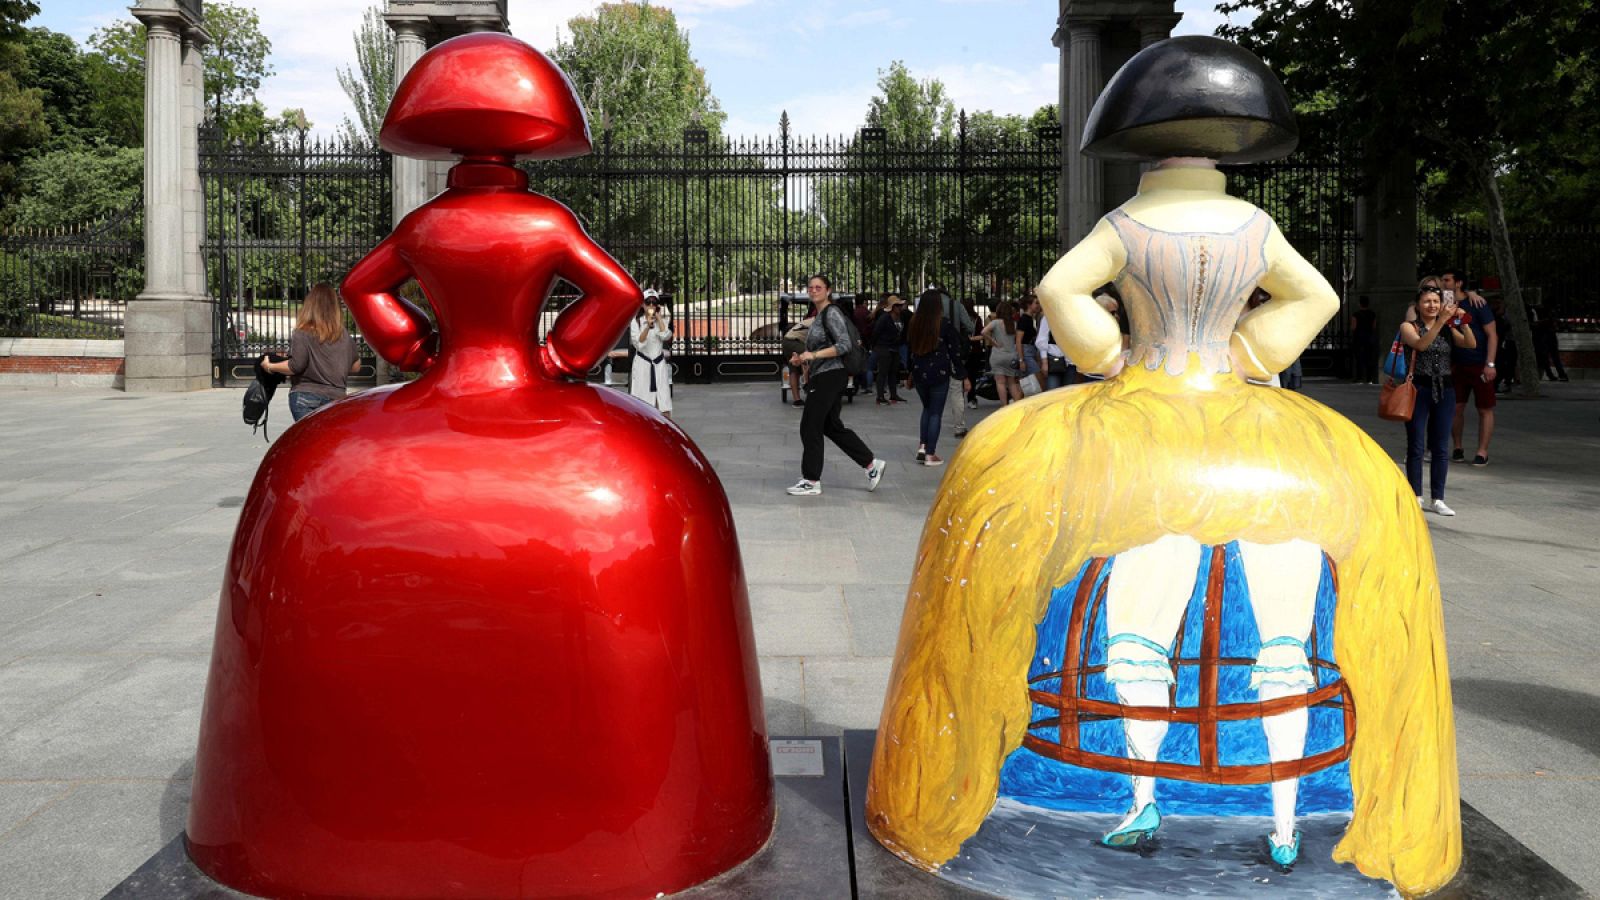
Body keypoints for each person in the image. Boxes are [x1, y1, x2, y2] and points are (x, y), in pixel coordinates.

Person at [786, 274, 886, 496]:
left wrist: (813, 355)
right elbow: (820, 349)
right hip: (826, 374)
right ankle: (871, 464)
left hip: (830, 376)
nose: (813, 291)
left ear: (828, 291)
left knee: (810, 425)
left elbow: (844, 345)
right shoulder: (819, 315)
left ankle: (811, 480)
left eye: (818, 287)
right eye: (810, 287)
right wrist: (803, 358)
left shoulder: (831, 313)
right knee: (831, 426)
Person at [1398, 284, 1475, 515]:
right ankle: (1416, 495)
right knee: (1416, 445)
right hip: (1418, 388)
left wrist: (1464, 321)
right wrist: (1441, 321)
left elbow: (1470, 344)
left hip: (1445, 388)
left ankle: (1438, 498)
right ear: (1418, 305)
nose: (1432, 306)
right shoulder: (1408, 327)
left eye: (1435, 301)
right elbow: (1421, 345)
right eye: (1427, 302)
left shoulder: (1448, 327)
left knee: (1441, 446)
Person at [259, 282, 361, 422]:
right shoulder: (343, 335)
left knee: (310, 441)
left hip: (306, 396)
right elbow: (356, 367)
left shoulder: (303, 332)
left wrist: (269, 366)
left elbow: (296, 366)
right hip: (337, 397)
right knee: (329, 442)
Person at [905, 288, 970, 466]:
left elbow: (909, 350)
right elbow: (955, 351)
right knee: (935, 413)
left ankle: (922, 445)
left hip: (919, 371)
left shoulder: (914, 323)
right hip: (939, 372)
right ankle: (930, 453)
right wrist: (962, 374)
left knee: (926, 409)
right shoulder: (944, 324)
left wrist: (908, 372)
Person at [1440, 269, 1496, 466]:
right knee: (1456, 407)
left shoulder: (1477, 304)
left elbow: (1492, 334)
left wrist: (1490, 363)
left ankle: (1482, 451)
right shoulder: (1443, 304)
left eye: (1447, 280)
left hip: (1479, 363)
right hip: (1456, 364)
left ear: (1459, 283)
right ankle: (1457, 447)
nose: (1443, 283)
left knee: (1484, 408)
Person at [936, 287, 976, 433]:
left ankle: (933, 422)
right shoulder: (956, 305)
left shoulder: (929, 308)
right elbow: (970, 327)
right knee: (956, 390)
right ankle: (959, 426)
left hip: (933, 354)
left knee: (934, 390)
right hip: (953, 351)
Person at [630, 289, 673, 417]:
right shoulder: (636, 322)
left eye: (654, 302)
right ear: (643, 305)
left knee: (664, 403)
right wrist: (648, 327)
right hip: (643, 365)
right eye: (648, 302)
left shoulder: (662, 321)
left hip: (659, 365)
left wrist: (658, 319)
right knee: (642, 404)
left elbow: (666, 336)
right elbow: (638, 343)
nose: (651, 306)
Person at [981, 300, 1025, 405]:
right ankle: (1017, 405)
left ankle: (1004, 406)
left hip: (998, 355)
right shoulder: (1014, 324)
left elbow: (983, 332)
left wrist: (993, 342)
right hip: (1011, 356)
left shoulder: (995, 323)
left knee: (1000, 382)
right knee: (1012, 383)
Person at [873, 294, 906, 403]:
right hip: (884, 347)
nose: (899, 308)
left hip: (894, 348)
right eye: (897, 306)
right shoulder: (884, 318)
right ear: (892, 307)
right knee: (883, 372)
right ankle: (880, 395)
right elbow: (876, 332)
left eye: (900, 306)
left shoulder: (899, 318)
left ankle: (893, 394)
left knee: (893, 372)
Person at [1530, 302, 1569, 382]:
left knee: (1547, 357)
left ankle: (1554, 375)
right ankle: (1558, 375)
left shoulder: (1541, 312)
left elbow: (1537, 325)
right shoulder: (1548, 313)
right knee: (1552, 357)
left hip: (1544, 336)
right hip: (1547, 336)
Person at [1350, 295, 1379, 384]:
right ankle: (1369, 378)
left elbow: (1353, 327)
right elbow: (1374, 326)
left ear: (1360, 304)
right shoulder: (1372, 314)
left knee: (1358, 358)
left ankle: (1359, 378)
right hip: (1369, 338)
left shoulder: (1356, 314)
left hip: (1358, 338)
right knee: (1369, 358)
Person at [1018, 293, 1043, 393]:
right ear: (1029, 305)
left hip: (1030, 352)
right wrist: (1021, 360)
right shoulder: (1024, 319)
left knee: (1026, 384)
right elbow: (1018, 340)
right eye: (1036, 303)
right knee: (1039, 379)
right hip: (1026, 352)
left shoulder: (1030, 319)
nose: (1038, 306)